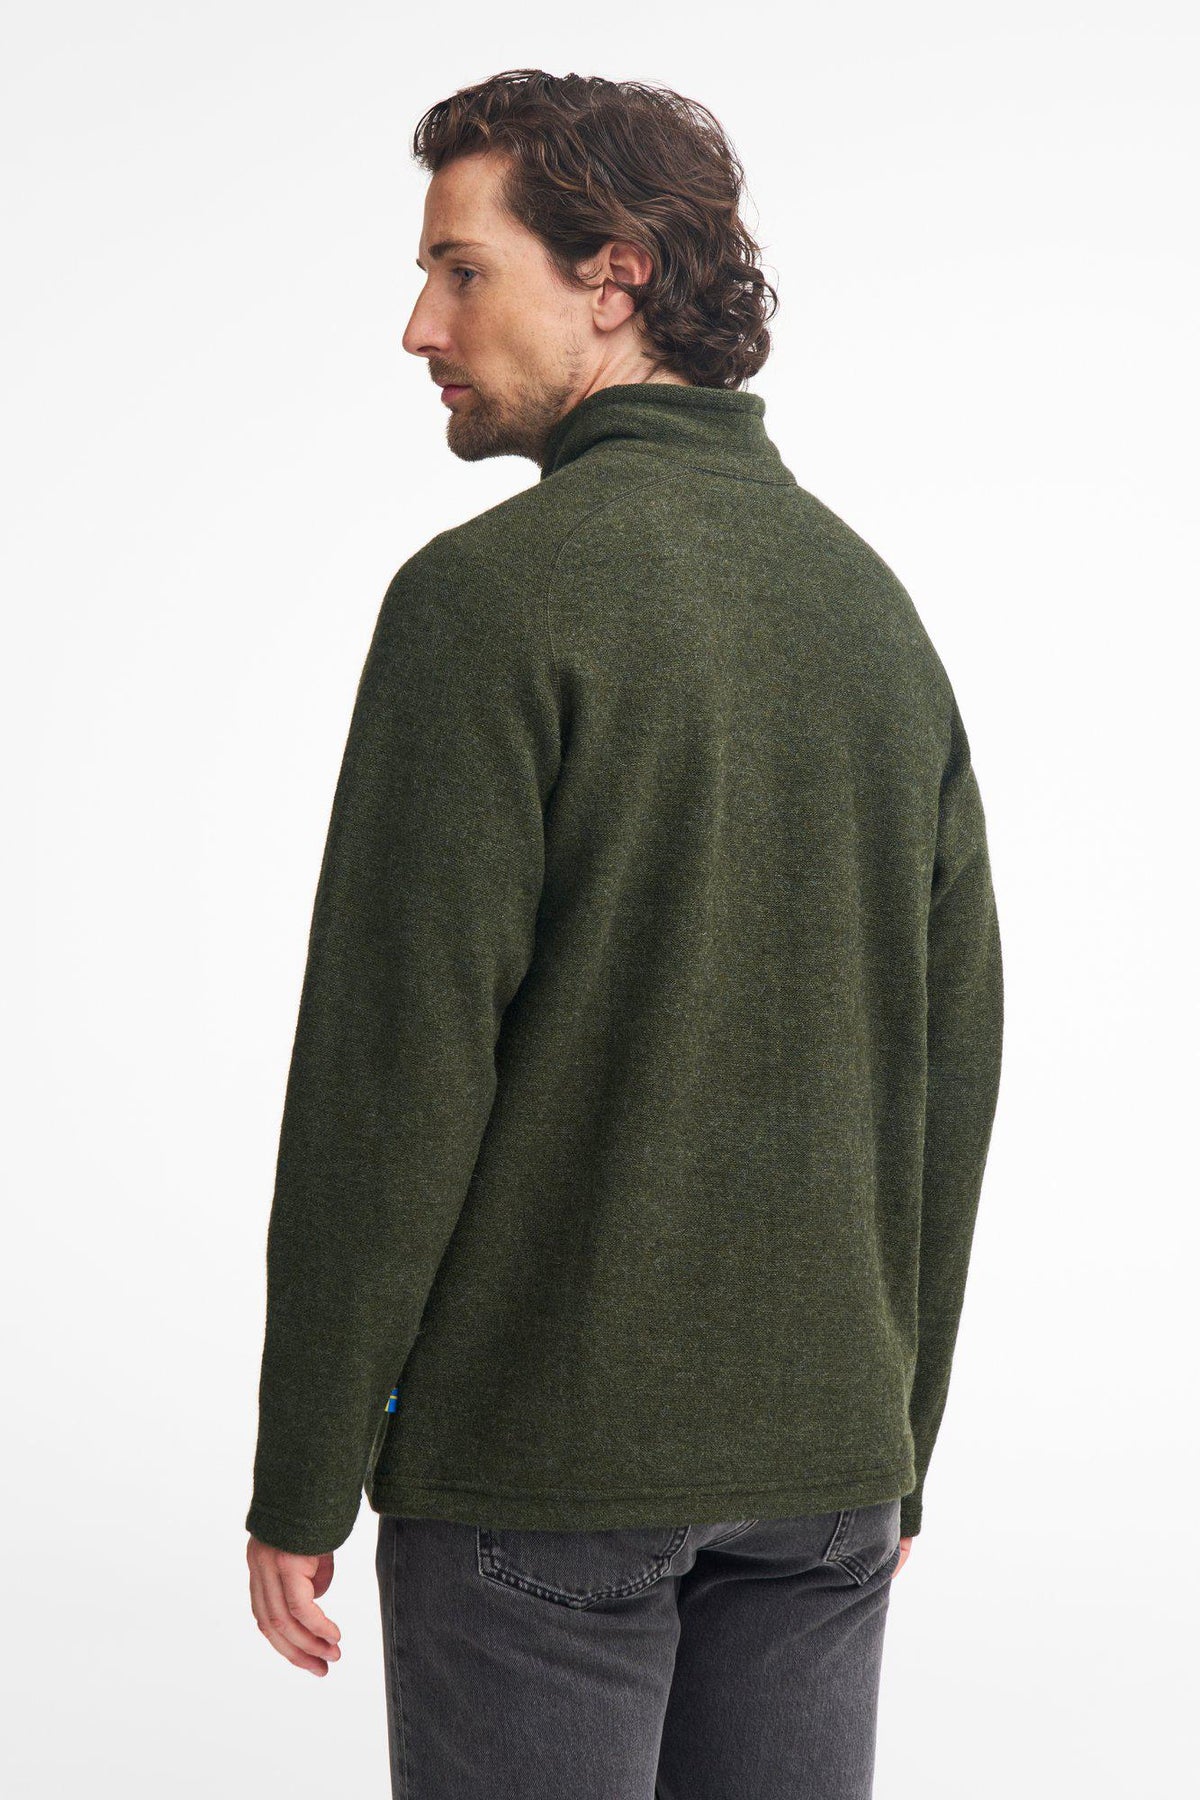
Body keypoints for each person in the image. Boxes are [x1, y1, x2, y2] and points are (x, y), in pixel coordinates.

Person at [245, 68, 1004, 1800]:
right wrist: (897, 1439)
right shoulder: (870, 612)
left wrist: (301, 1472)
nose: (420, 327)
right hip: (827, 1486)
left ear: (617, 275)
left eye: (461, 271)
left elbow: (393, 1071)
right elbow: (955, 1060)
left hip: (544, 1472)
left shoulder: (484, 603)